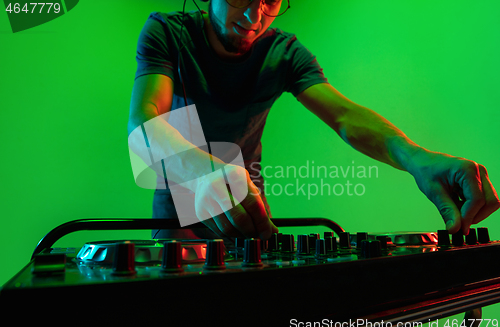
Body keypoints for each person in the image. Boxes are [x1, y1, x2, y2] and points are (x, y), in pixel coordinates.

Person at [127, 0, 499, 241]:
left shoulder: (284, 52)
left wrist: (417, 159)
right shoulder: (166, 33)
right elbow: (144, 124)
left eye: (270, 1)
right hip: (179, 225)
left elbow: (346, 117)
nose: (254, 17)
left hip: (251, 221)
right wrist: (202, 171)